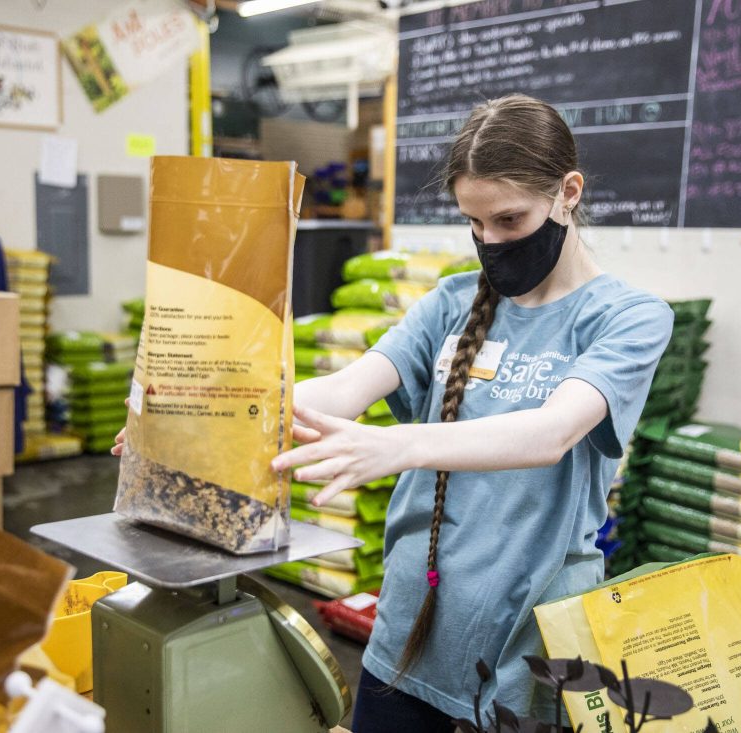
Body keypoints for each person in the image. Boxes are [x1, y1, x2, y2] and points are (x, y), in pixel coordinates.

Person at [115, 94, 673, 731]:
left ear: (568, 192)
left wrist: (397, 445)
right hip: (413, 622)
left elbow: (553, 432)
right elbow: (344, 390)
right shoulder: (451, 303)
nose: (490, 242)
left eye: (509, 220)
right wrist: (189, 419)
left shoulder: (629, 317)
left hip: (528, 642)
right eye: (474, 224)